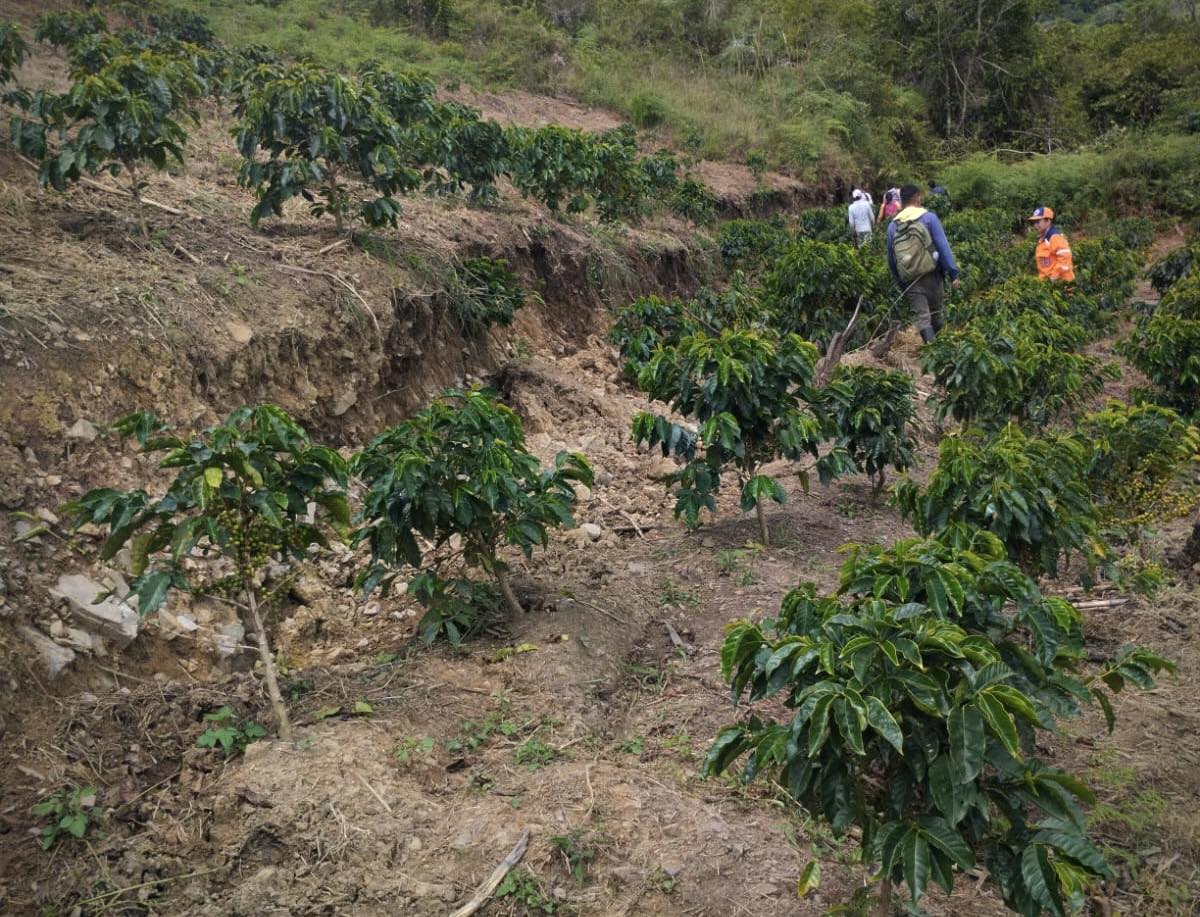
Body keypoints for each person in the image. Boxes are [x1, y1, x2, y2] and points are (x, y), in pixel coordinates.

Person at [886, 184, 961, 343]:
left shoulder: (893, 226)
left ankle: (930, 352)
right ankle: (940, 352)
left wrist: (901, 283)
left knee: (923, 318)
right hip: (932, 274)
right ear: (917, 197)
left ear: (902, 200)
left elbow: (892, 260)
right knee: (936, 313)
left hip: (911, 279)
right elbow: (943, 246)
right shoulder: (929, 218)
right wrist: (953, 272)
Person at [1028, 206, 1075, 282]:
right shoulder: (1042, 240)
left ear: (1048, 221)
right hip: (1048, 286)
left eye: (1038, 222)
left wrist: (1053, 278)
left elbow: (1065, 259)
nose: (1035, 225)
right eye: (1034, 223)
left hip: (1062, 286)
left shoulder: (1055, 237)